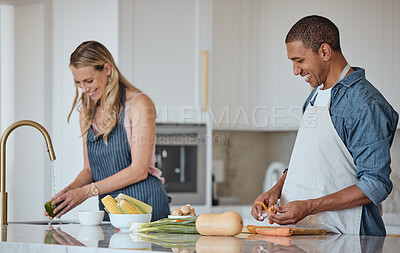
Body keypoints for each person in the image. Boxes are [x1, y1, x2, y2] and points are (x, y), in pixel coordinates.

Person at [251, 15, 398, 236]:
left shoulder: (365, 104)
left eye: (299, 61)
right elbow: (309, 161)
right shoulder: (315, 96)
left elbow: (375, 184)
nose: (295, 70)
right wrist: (277, 188)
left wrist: (309, 206)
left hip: (346, 239)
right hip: (310, 236)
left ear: (325, 52)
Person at [45, 40, 171, 221]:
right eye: (79, 83)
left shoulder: (139, 105)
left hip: (145, 206)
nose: (85, 89)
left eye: (89, 81)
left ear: (107, 69)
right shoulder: (87, 112)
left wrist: (87, 192)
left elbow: (139, 170)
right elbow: (89, 170)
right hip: (110, 209)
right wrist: (69, 193)